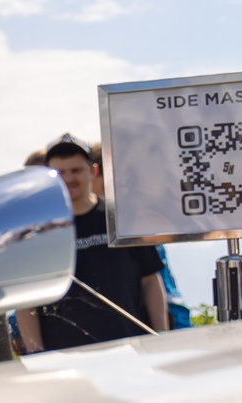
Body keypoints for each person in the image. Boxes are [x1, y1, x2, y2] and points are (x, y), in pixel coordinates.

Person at [16, 136, 168, 351]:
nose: (69, 178)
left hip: (131, 348)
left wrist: (161, 334)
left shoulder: (122, 216)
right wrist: (36, 352)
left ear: (93, 171)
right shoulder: (39, 232)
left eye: (76, 170)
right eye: (60, 173)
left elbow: (151, 280)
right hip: (65, 357)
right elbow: (27, 300)